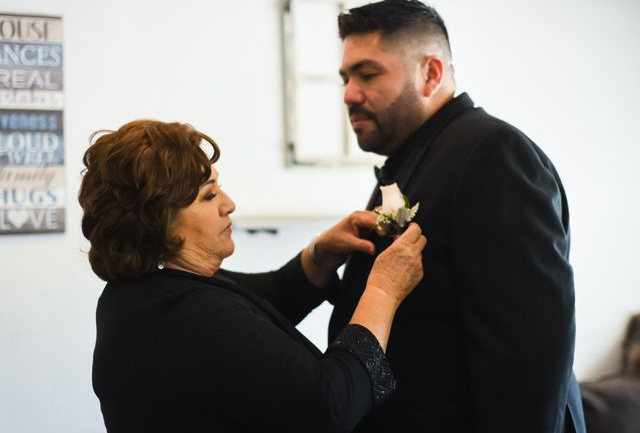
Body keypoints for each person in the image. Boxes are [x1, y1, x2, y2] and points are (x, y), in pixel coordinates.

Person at [328, 0, 586, 432]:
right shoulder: (417, 156)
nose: (350, 94)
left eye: (368, 75)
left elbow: (530, 351)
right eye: (345, 78)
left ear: (430, 73)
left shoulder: (493, 154)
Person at [79, 119, 426, 432]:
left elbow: (265, 299)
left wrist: (320, 256)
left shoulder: (145, 294)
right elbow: (333, 404)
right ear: (159, 222)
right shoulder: (185, 315)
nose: (228, 204)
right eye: (209, 195)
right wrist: (382, 290)